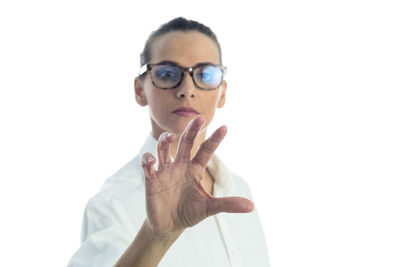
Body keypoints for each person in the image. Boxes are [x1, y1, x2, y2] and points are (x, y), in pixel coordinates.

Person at [68, 17, 271, 267]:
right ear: (140, 90)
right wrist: (157, 236)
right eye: (167, 73)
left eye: (204, 74)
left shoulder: (238, 190)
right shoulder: (114, 202)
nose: (187, 89)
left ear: (222, 92)